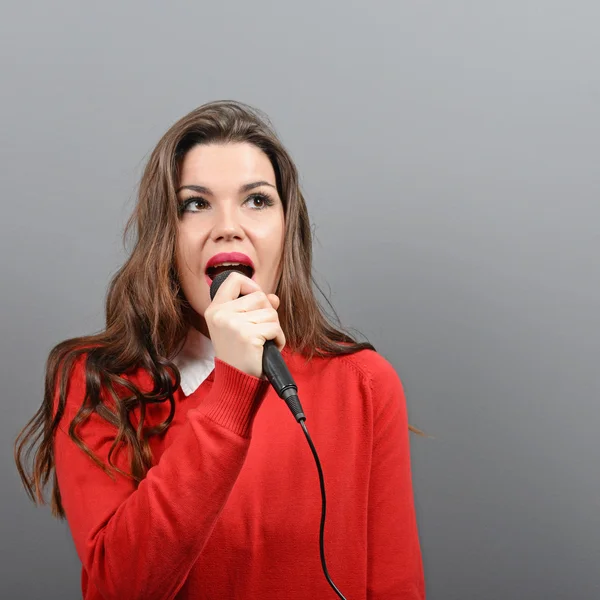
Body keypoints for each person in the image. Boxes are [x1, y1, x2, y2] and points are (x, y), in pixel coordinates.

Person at [14, 100, 426, 599]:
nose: (228, 226)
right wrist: (231, 388)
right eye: (195, 203)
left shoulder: (364, 383)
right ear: (165, 235)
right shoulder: (96, 381)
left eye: (256, 200)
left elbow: (395, 586)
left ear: (286, 229)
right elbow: (118, 588)